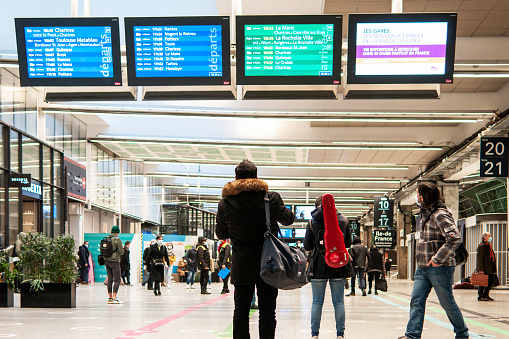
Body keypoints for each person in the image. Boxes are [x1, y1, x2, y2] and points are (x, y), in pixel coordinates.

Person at [216, 159, 295, 339]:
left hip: (241, 262)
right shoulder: (270, 198)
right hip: (269, 261)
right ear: (256, 176)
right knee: (267, 310)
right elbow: (288, 219)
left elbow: (221, 233)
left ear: (235, 178)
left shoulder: (225, 203)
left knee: (241, 309)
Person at [399, 181, 469, 339]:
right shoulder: (424, 213)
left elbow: (455, 239)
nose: (416, 197)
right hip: (422, 268)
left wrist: (438, 258)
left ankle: (462, 333)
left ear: (423, 197)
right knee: (416, 300)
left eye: (417, 194)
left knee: (447, 303)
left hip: (440, 267)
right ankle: (412, 335)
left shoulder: (440, 214)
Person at [304, 195, 352, 339]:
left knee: (317, 302)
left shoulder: (312, 222)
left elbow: (307, 246)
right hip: (338, 265)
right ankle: (340, 335)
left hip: (319, 266)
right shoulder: (343, 220)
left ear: (317, 205)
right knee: (338, 302)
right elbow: (348, 243)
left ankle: (314, 334)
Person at [104, 226, 124, 304]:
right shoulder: (117, 239)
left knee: (110, 279)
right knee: (118, 279)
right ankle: (115, 297)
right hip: (115, 261)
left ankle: (110, 298)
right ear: (116, 232)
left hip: (107, 261)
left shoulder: (106, 238)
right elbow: (121, 252)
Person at [476, 232, 496, 301]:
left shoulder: (489, 245)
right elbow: (480, 259)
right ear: (484, 238)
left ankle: (486, 294)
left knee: (491, 281)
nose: (490, 237)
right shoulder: (482, 246)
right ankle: (481, 296)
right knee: (482, 282)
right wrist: (480, 269)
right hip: (484, 267)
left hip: (489, 267)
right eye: (489, 236)